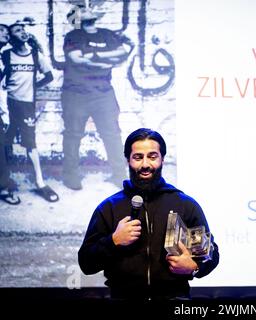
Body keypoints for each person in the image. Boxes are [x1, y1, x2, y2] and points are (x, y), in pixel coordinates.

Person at [78, 128, 219, 300]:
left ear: (162, 159)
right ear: (128, 161)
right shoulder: (109, 208)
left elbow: (210, 256)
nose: (145, 164)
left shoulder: (184, 204)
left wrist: (193, 267)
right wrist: (113, 241)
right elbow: (86, 263)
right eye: (138, 157)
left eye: (152, 156)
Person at [61, 7, 129, 190]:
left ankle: (119, 176)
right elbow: (77, 59)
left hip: (103, 93)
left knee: (112, 134)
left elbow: (122, 52)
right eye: (82, 10)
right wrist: (106, 60)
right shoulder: (73, 36)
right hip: (75, 93)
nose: (87, 11)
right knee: (73, 135)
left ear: (96, 17)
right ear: (79, 18)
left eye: (90, 9)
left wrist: (95, 56)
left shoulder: (107, 34)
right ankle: (71, 177)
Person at [0, 21, 59, 202]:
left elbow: (49, 76)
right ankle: (5, 185)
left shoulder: (35, 55)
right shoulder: (6, 55)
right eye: (17, 30)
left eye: (23, 29)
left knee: (30, 144)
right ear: (12, 38)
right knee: (4, 145)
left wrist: (34, 86)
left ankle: (40, 183)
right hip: (8, 105)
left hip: (26, 105)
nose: (22, 32)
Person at [0, 23, 20, 205]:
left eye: (7, 32)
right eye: (1, 31)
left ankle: (4, 187)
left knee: (2, 150)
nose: (5, 34)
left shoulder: (2, 58)